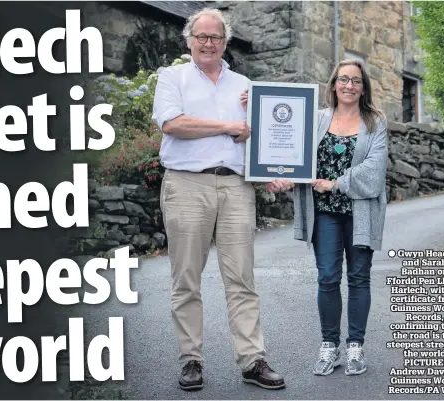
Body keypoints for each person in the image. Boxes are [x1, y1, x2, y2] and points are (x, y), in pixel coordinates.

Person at [151, 7, 285, 392]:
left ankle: (252, 360)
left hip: (235, 187)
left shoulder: (243, 84)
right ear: (189, 40)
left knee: (242, 278)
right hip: (186, 185)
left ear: (225, 43)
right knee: (186, 279)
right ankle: (191, 360)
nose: (208, 44)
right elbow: (172, 123)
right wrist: (229, 127)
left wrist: (269, 166)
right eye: (201, 37)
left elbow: (260, 134)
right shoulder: (172, 77)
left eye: (216, 38)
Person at [265, 59, 388, 376]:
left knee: (359, 278)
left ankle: (355, 347)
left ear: (364, 87)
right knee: (328, 277)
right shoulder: (315, 118)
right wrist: (283, 175)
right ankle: (329, 347)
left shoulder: (375, 122)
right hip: (325, 213)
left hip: (360, 213)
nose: (349, 86)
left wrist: (336, 183)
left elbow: (374, 172)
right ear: (333, 84)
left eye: (356, 81)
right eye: (343, 79)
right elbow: (293, 154)